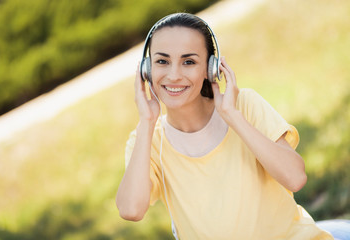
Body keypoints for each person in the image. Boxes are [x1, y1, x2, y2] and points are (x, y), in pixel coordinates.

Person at [116, 13, 335, 239]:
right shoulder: (146, 139)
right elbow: (131, 210)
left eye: (188, 62)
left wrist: (232, 116)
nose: (173, 75)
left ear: (210, 68)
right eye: (162, 61)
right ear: (146, 69)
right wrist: (147, 121)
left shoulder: (244, 106)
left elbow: (295, 178)